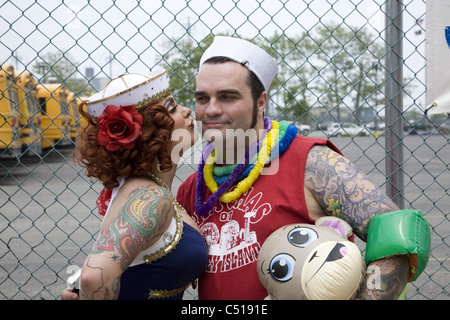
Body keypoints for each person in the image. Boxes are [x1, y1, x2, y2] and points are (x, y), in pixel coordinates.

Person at [176, 36, 429, 300]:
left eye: (228, 97)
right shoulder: (192, 189)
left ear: (261, 101)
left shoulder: (310, 162)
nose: (211, 109)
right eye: (202, 98)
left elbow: (398, 233)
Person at [62, 69, 208, 300]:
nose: (186, 109)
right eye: (172, 107)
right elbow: (94, 277)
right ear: (149, 131)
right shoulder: (150, 197)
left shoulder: (150, 190)